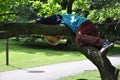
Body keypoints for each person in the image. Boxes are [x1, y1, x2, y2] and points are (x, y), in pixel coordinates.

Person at [32, 14, 114, 53]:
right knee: (83, 42)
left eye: (57, 37)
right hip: (88, 29)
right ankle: (100, 47)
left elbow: (46, 19)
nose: (61, 37)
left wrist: (35, 21)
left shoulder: (57, 18)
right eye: (60, 39)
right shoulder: (65, 24)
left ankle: (104, 43)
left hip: (84, 24)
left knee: (79, 39)